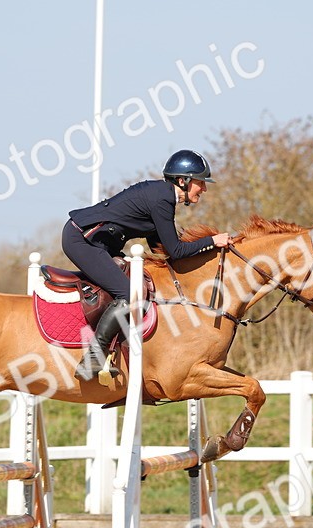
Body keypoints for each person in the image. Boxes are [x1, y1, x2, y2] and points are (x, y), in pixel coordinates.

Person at [62, 149, 231, 381]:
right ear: (183, 181)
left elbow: (162, 249)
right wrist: (212, 241)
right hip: (82, 240)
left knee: (135, 284)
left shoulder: (162, 196)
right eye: (200, 183)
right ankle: (94, 356)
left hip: (99, 242)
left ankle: (114, 351)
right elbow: (176, 251)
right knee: (129, 294)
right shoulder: (162, 199)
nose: (204, 189)